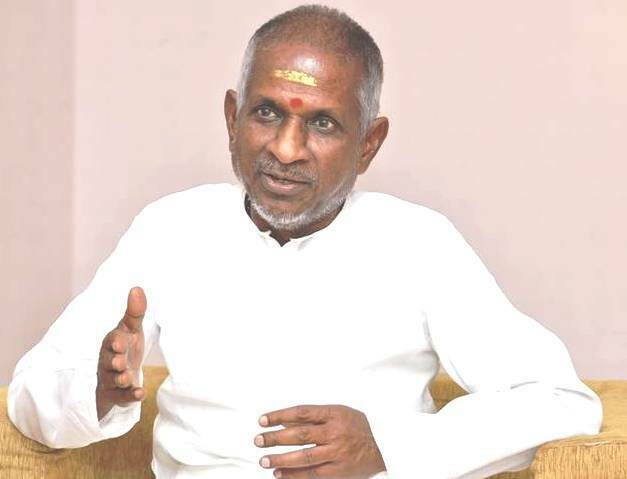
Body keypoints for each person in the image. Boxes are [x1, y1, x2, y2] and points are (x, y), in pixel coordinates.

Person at [8, 5, 602, 479]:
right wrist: (98, 390)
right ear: (232, 118)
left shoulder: (419, 243)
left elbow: (561, 400)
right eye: (267, 113)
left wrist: (387, 445)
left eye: (322, 123)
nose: (286, 149)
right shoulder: (170, 229)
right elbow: (28, 398)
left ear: (368, 144)